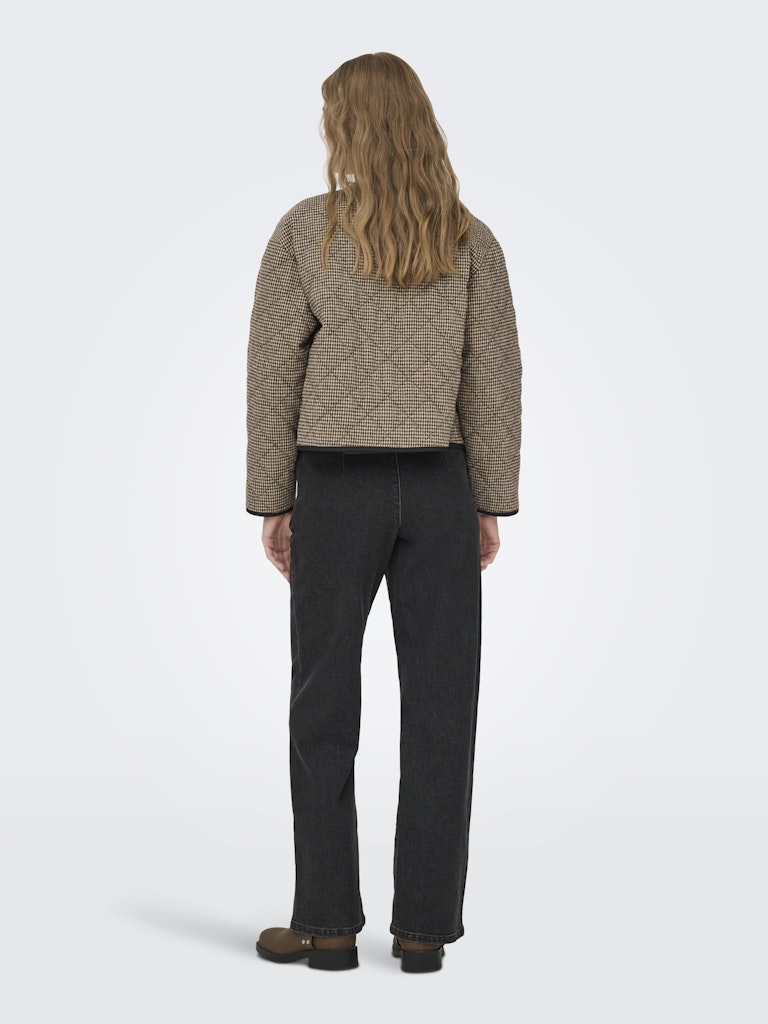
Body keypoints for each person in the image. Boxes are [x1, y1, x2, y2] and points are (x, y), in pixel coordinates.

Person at [247, 52, 523, 974]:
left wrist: (272, 499)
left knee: (323, 702)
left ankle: (327, 924)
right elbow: (493, 378)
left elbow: (273, 372)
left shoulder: (308, 231)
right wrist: (487, 499)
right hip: (440, 486)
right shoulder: (470, 238)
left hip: (335, 487)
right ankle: (423, 931)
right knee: (444, 707)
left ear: (349, 127)